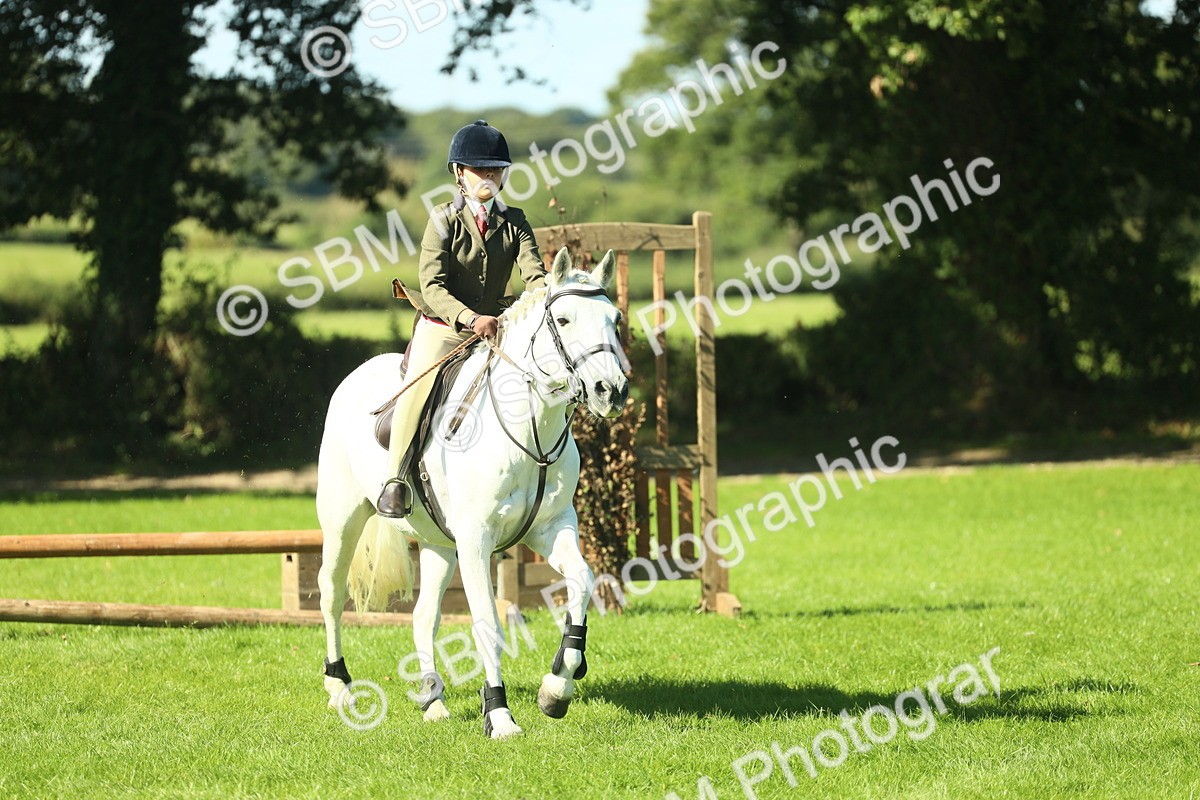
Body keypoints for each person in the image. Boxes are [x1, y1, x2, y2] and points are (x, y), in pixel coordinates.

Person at [378, 120, 548, 518]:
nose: (488, 177)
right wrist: (470, 318)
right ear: (459, 174)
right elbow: (431, 285)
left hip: (496, 328)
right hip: (444, 327)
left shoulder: (516, 221)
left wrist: (546, 294)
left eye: (495, 170)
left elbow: (534, 273)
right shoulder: (442, 219)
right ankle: (395, 479)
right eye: (480, 170)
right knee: (418, 386)